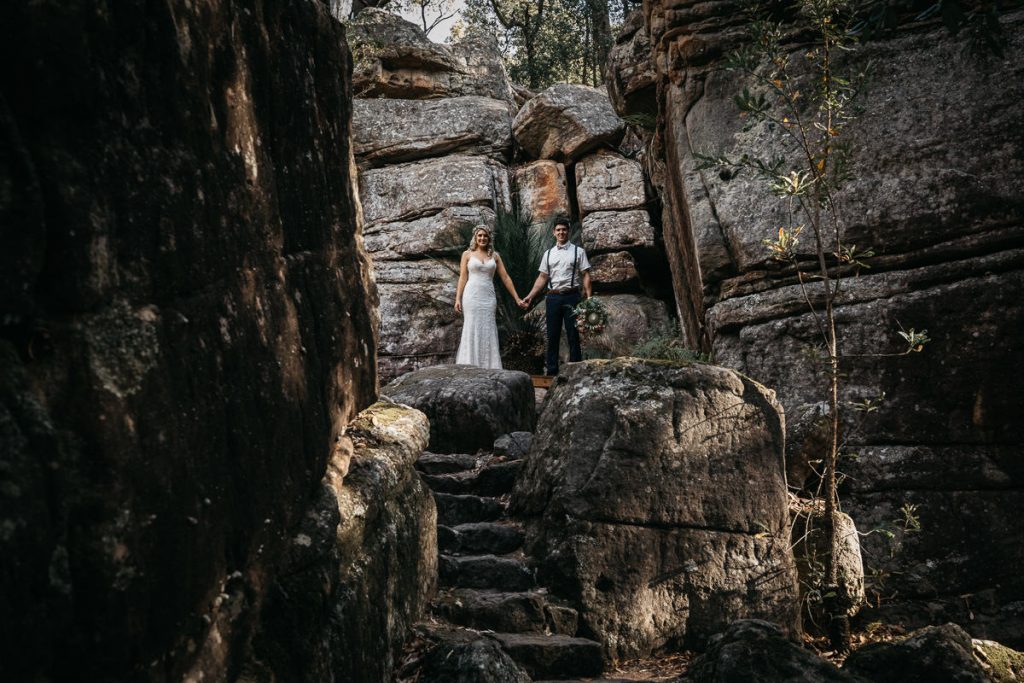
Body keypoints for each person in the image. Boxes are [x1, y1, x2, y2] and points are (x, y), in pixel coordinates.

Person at [522, 218, 592, 376]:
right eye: (558, 230)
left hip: (572, 296)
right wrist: (530, 296)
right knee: (552, 334)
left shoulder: (578, 251)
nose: (561, 232)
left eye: (564, 229)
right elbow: (542, 278)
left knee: (573, 334)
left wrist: (589, 298)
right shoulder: (548, 254)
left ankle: (576, 369)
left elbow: (586, 274)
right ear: (554, 232)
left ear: (568, 231)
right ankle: (552, 372)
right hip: (553, 298)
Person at [454, 226, 525, 369]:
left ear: (489, 238)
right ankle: (469, 366)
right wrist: (457, 299)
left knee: (488, 328)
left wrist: (517, 298)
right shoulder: (467, 254)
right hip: (471, 296)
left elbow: (505, 278)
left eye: (485, 236)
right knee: (472, 326)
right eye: (479, 235)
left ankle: (490, 367)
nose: (482, 238)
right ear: (475, 237)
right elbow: (462, 277)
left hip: (488, 298)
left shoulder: (495, 256)